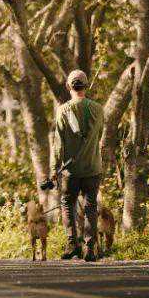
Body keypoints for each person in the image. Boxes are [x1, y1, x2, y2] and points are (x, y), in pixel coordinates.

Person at [48, 69, 103, 261]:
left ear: (69, 87)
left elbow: (58, 143)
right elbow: (99, 136)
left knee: (67, 204)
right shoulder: (98, 109)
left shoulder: (63, 110)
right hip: (93, 167)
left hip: (71, 170)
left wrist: (55, 169)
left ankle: (72, 244)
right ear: (86, 86)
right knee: (90, 206)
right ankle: (89, 247)